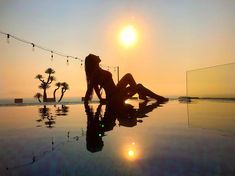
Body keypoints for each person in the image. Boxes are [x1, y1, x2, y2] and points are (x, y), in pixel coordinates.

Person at [84, 54, 168, 105]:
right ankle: (158, 98)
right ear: (93, 61)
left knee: (128, 75)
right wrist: (88, 102)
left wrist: (100, 98)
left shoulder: (98, 70)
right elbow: (91, 88)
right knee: (139, 86)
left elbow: (95, 87)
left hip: (116, 91)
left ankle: (141, 94)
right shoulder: (95, 73)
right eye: (95, 56)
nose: (98, 56)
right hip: (114, 97)